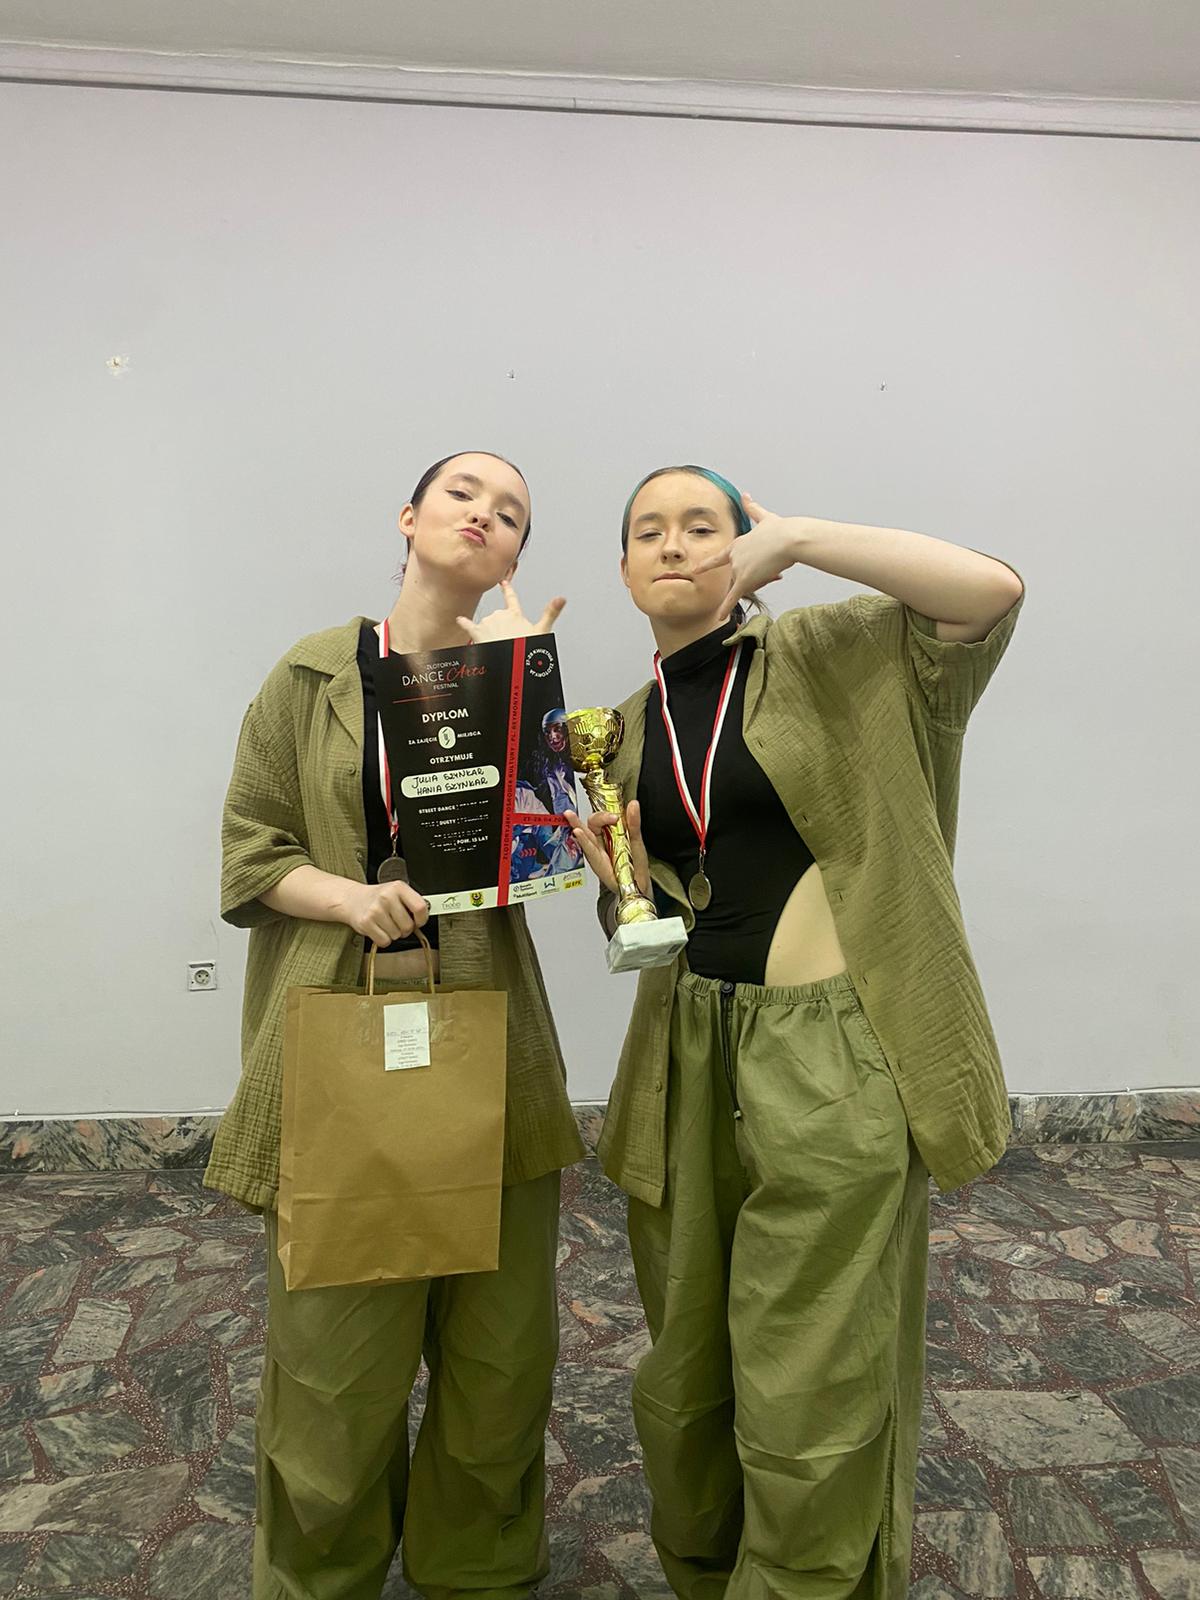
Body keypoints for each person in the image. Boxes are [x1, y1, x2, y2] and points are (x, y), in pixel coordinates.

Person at [565, 464, 1023, 1600]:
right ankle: (710, 1574)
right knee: (685, 1377)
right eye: (649, 532)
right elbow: (664, 921)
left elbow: (990, 592)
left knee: (810, 1373)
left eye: (702, 525)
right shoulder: (621, 731)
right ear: (624, 570)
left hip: (829, 1057)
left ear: (745, 545)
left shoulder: (834, 653)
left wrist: (806, 536)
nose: (674, 544)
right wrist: (621, 893)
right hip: (685, 1054)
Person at [205, 451, 586, 1600]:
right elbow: (251, 853)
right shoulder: (312, 676)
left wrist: (528, 695)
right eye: (464, 493)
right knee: (334, 1363)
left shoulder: (515, 679)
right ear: (411, 516)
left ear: (514, 555)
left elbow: (546, 857)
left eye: (510, 512)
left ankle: (479, 1569)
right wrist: (348, 896)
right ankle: (319, 1575)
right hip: (339, 1028)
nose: (485, 514)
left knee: (500, 1357)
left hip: (491, 1038)